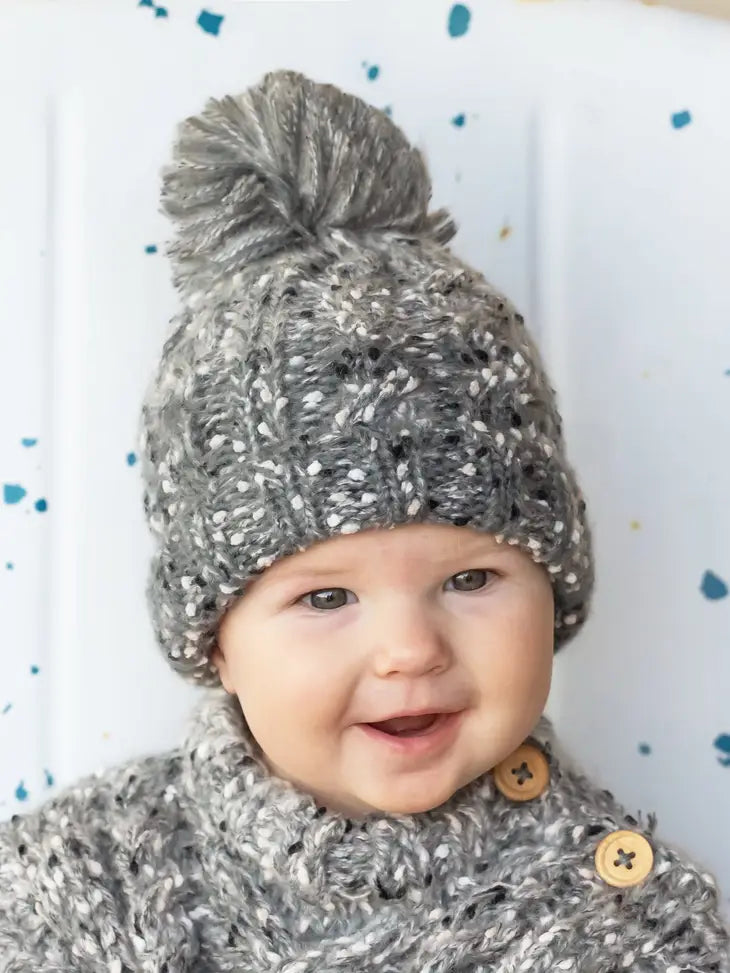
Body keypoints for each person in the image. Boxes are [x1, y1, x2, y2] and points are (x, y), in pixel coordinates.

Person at [0, 68, 727, 972]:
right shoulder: (73, 892)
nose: (409, 651)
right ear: (215, 641)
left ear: (555, 592)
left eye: (470, 579)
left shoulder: (624, 931)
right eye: (326, 597)